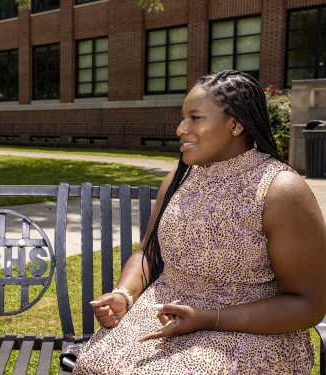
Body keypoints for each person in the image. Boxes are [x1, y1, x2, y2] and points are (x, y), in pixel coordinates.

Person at [73, 70, 326, 374]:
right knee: (94, 365)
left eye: (195, 117)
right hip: (161, 315)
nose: (181, 129)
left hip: (250, 331)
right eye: (183, 118)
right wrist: (123, 295)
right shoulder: (179, 179)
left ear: (236, 125)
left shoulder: (280, 190)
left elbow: (308, 304)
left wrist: (208, 317)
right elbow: (148, 254)